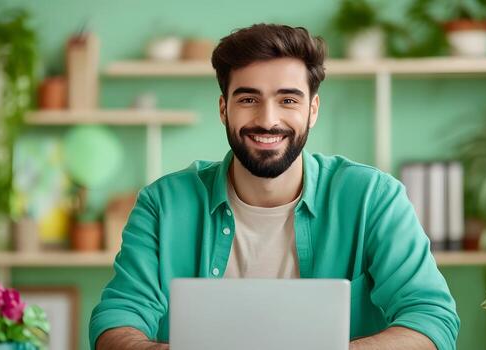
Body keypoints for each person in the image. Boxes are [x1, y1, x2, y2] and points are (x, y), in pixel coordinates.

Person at [90, 23, 460, 350]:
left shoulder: (374, 198)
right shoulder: (162, 204)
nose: (268, 120)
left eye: (287, 100)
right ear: (224, 109)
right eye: (249, 99)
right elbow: (115, 321)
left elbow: (432, 319)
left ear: (313, 109)